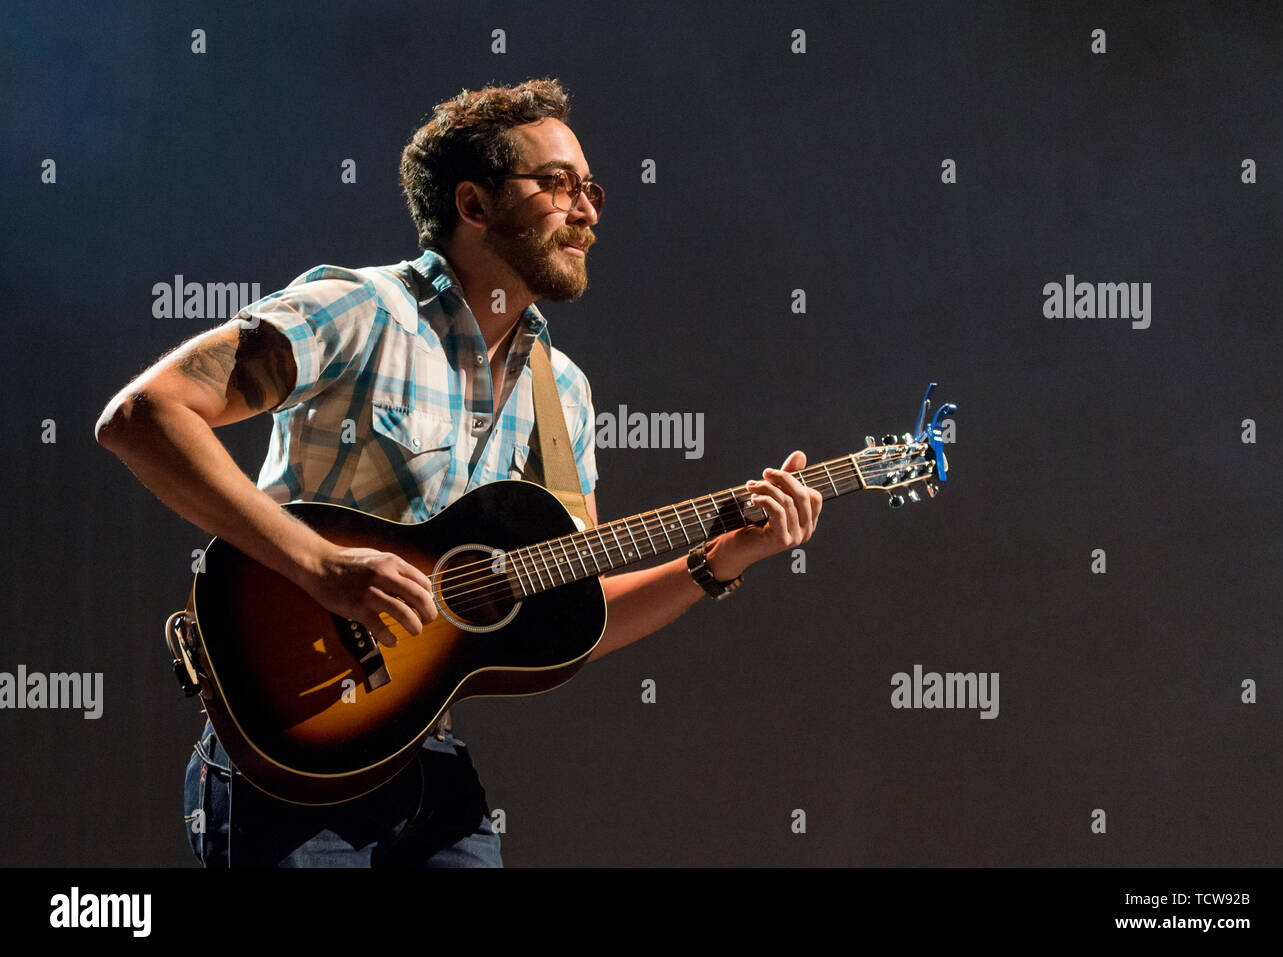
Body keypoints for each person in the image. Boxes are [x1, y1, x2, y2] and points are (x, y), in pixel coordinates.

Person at [94, 77, 823, 867]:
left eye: (592, 189)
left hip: (428, 766)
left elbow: (572, 609)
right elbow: (144, 417)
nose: (587, 210)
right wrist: (323, 566)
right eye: (557, 184)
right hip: (291, 752)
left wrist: (716, 564)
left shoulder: (562, 392)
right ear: (474, 206)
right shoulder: (361, 310)